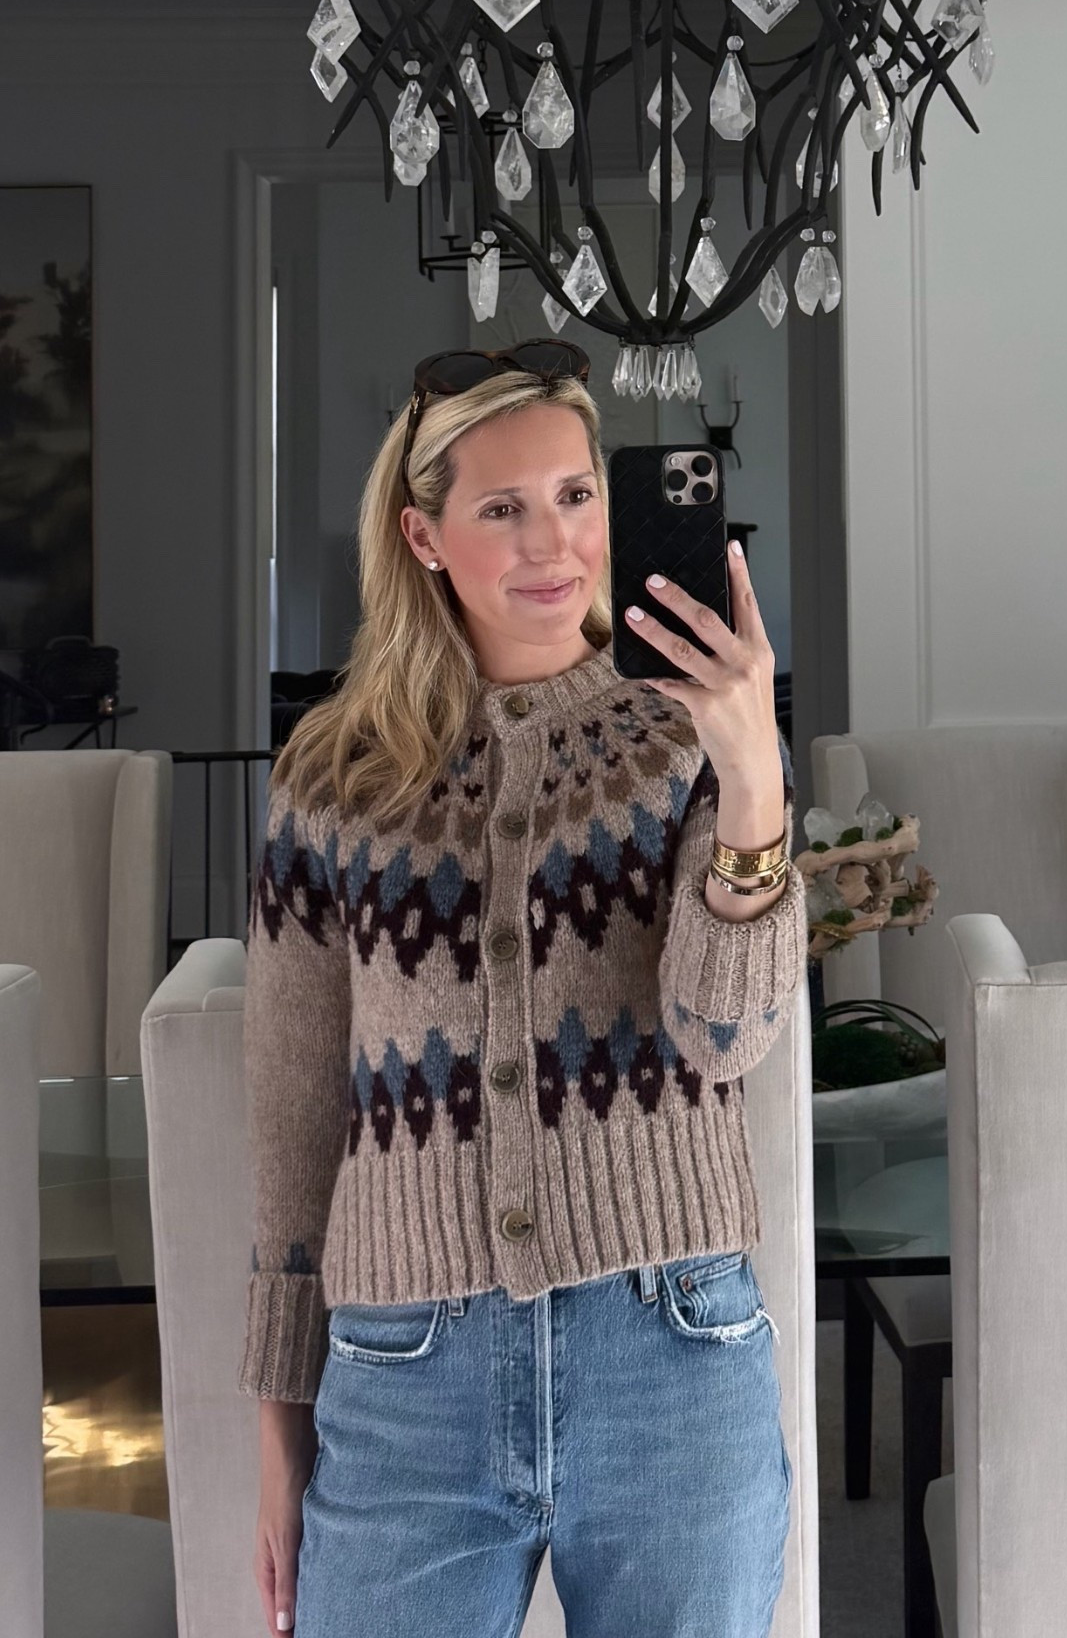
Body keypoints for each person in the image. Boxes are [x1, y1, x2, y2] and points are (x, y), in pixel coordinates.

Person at [239, 339, 809, 1638]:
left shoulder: (687, 735)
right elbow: (292, 1113)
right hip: (404, 1372)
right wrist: (278, 1433)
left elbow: (725, 1034)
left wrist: (752, 780)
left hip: (670, 1349)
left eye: (575, 495)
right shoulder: (333, 776)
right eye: (502, 507)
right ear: (423, 536)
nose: (554, 543)